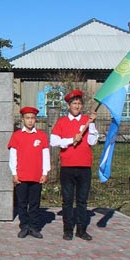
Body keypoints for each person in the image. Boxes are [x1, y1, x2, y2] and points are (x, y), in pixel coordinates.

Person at [50, 90, 98, 241]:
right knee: (68, 200)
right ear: (69, 105)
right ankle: (68, 230)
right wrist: (72, 139)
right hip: (68, 167)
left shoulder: (87, 120)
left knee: (82, 200)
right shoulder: (62, 122)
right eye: (74, 103)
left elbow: (92, 142)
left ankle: (81, 230)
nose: (77, 106)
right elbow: (54, 141)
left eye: (79, 103)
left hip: (84, 167)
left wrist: (91, 125)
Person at [8, 106, 50, 239]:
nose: (30, 121)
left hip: (36, 175)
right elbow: (13, 155)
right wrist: (14, 173)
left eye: (32, 118)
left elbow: (45, 155)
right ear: (23, 120)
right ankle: (24, 226)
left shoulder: (41, 136)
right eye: (27, 118)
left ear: (35, 120)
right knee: (22, 202)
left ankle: (34, 227)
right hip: (22, 175)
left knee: (34, 203)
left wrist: (45, 172)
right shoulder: (17, 135)